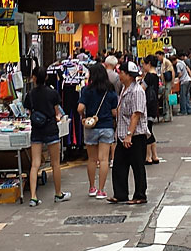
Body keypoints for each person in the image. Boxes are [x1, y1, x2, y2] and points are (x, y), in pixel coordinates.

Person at [24, 67, 70, 207]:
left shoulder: (30, 95)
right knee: (55, 163)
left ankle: (33, 197)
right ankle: (58, 193)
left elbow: (30, 113)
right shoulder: (52, 93)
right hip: (51, 129)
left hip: (37, 130)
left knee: (35, 164)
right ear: (45, 78)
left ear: (34, 78)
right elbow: (57, 113)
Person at [111, 61, 149, 204]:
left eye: (121, 72)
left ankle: (140, 195)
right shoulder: (124, 89)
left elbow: (136, 114)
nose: (119, 74)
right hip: (122, 135)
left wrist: (129, 134)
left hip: (135, 135)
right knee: (119, 165)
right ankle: (120, 194)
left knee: (137, 166)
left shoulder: (137, 91)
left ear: (129, 75)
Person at [78, 64, 118, 199]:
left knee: (92, 159)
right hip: (106, 126)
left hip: (91, 127)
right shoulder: (110, 90)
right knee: (104, 159)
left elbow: (79, 108)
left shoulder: (86, 90)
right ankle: (101, 190)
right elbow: (114, 112)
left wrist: (84, 117)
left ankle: (91, 187)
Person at [142, 56, 162, 165]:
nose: (143, 67)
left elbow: (142, 89)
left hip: (148, 105)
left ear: (148, 63)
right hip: (154, 105)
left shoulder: (149, 76)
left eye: (144, 64)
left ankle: (148, 156)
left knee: (147, 131)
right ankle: (155, 155)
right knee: (149, 129)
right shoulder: (156, 76)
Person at [157, 51, 175, 122]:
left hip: (168, 82)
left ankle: (168, 116)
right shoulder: (161, 63)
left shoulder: (166, 62)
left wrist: (172, 82)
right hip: (165, 82)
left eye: (158, 56)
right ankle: (167, 116)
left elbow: (172, 71)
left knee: (167, 99)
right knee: (165, 98)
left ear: (162, 55)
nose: (158, 58)